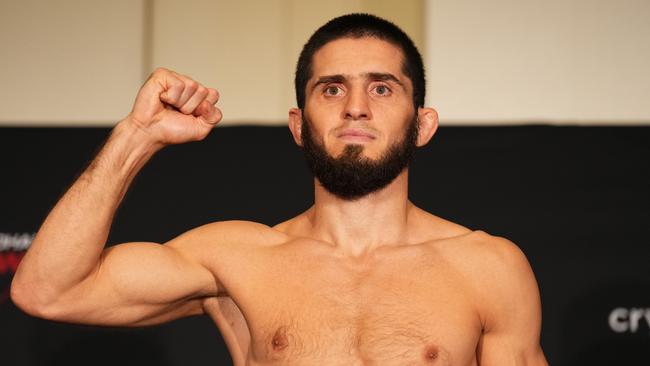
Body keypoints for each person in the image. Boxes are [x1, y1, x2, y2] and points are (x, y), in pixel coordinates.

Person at [11, 13, 548, 365]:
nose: (355, 106)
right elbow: (47, 290)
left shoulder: (487, 267)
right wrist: (137, 136)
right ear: (298, 124)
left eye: (382, 88)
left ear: (423, 124)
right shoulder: (238, 258)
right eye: (331, 88)